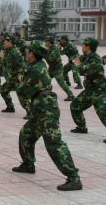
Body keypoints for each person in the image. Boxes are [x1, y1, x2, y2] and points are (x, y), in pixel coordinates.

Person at [13, 41, 82, 191]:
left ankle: (73, 177)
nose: (26, 53)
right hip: (40, 109)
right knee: (26, 135)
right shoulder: (37, 65)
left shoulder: (37, 70)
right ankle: (28, 164)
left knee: (54, 144)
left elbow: (23, 91)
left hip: (47, 110)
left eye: (28, 51)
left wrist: (19, 81)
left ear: (33, 54)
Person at [70, 38, 106, 143]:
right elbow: (76, 62)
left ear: (88, 46)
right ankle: (82, 127)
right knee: (75, 106)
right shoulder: (85, 57)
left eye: (84, 44)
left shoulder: (95, 59)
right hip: (89, 90)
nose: (82, 46)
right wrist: (76, 63)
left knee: (103, 112)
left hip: (98, 90)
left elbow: (83, 71)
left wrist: (78, 65)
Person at [0, 35, 31, 119]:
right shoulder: (7, 50)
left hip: (18, 76)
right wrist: (2, 58)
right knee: (3, 90)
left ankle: (30, 111)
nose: (4, 42)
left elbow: (22, 65)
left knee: (20, 93)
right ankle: (10, 107)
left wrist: (20, 75)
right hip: (12, 77)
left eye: (6, 41)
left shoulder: (15, 52)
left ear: (11, 42)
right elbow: (5, 64)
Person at [45, 37, 75, 102]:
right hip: (51, 68)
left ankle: (71, 95)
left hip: (57, 69)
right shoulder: (49, 48)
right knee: (46, 80)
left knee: (61, 83)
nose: (45, 43)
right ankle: (47, 94)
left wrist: (44, 53)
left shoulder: (54, 49)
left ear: (49, 42)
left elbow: (50, 59)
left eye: (46, 41)